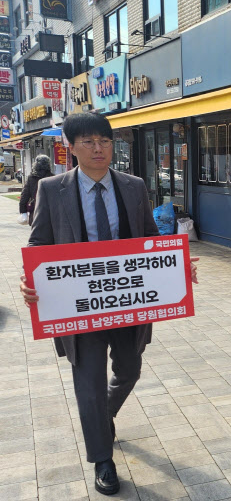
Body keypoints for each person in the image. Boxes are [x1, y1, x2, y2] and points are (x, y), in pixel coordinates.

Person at [19, 113, 199, 496]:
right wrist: (31, 280)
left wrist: (176, 266)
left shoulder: (134, 186)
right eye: (87, 141)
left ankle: (104, 419)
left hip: (127, 304)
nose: (98, 148)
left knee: (129, 370)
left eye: (104, 140)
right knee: (89, 385)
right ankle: (102, 458)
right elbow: (38, 245)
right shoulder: (52, 189)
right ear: (70, 146)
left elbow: (150, 237)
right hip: (78, 307)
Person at [19, 154, 53, 225]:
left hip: (35, 211)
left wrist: (23, 211)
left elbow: (25, 195)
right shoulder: (53, 177)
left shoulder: (31, 178)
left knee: (36, 233)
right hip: (50, 213)